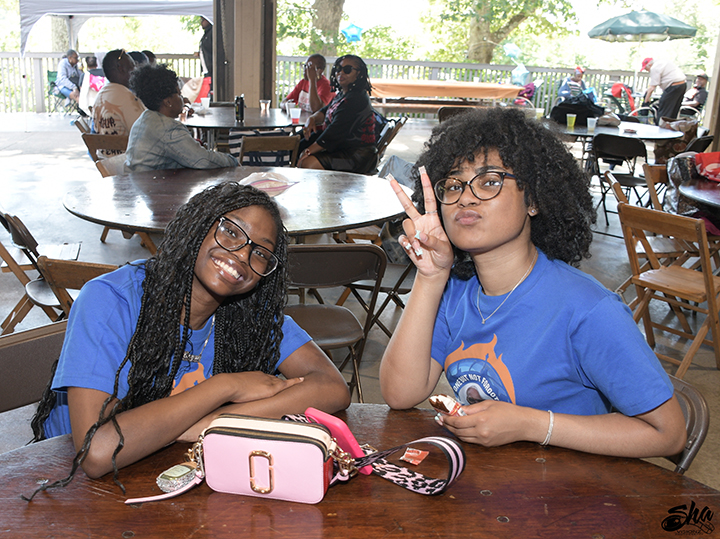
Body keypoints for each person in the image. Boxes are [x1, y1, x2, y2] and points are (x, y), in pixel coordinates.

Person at [380, 107, 687, 459]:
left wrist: (531, 424)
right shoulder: (454, 291)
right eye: (453, 185)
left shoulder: (588, 309)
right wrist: (430, 277)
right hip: (492, 480)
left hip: (573, 484)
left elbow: (668, 434)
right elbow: (400, 394)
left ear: (534, 200)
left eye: (489, 181)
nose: (465, 197)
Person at [30, 182, 351, 486]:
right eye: (231, 231)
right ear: (197, 224)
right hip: (69, 481)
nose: (242, 255)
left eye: (260, 253)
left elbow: (332, 387)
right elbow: (97, 452)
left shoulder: (251, 314)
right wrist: (226, 386)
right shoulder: (111, 299)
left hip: (169, 470)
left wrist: (207, 424)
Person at [125, 63, 237, 171]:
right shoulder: (169, 129)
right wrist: (232, 161)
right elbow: (203, 160)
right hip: (151, 183)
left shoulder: (143, 119)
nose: (182, 98)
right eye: (179, 94)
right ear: (168, 102)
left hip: (137, 180)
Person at [297, 55, 377, 174]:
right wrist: (312, 118)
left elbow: (334, 132)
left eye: (347, 69)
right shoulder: (344, 94)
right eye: (338, 69)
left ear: (359, 73)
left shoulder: (356, 99)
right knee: (300, 142)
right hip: (341, 147)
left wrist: (308, 151)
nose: (341, 72)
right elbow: (325, 111)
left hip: (356, 155)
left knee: (308, 163)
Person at [92, 49, 146, 156]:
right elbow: (145, 133)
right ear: (121, 68)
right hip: (126, 162)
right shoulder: (126, 97)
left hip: (104, 160)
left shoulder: (101, 94)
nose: (135, 70)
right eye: (132, 66)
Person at [641, 57, 687, 122]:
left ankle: (662, 125)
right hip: (682, 85)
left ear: (650, 65)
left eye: (646, 69)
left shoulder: (654, 68)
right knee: (673, 111)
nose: (647, 71)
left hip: (673, 86)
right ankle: (671, 125)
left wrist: (646, 101)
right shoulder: (661, 62)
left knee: (664, 111)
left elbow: (652, 88)